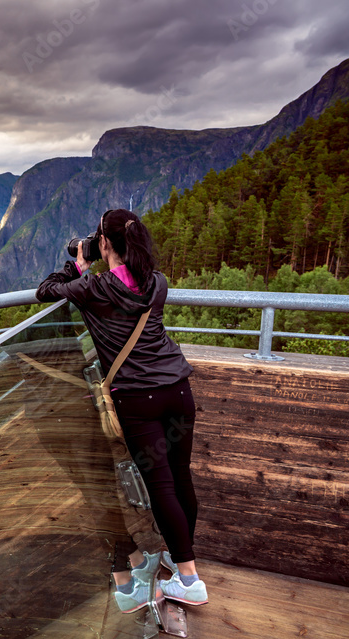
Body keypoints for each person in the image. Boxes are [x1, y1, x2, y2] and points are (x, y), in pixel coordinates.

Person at [35, 208, 207, 612]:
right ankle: (179, 558)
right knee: (181, 479)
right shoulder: (158, 283)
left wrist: (77, 264)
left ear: (106, 243)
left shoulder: (93, 288)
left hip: (138, 399)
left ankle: (190, 579)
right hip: (179, 390)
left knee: (160, 486)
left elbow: (47, 290)